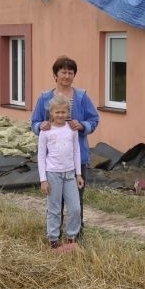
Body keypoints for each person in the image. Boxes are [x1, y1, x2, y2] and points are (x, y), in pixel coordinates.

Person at [31, 55, 99, 235]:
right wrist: (40, 126)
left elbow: (94, 119)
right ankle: (55, 234)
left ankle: (76, 235)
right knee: (55, 200)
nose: (67, 76)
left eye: (71, 72)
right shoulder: (45, 97)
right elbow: (34, 122)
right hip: (53, 160)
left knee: (77, 200)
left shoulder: (82, 97)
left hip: (77, 158)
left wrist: (83, 125)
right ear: (55, 74)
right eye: (63, 72)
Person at [38, 94, 84, 248]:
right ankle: (53, 240)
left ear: (68, 113)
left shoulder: (72, 130)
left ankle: (71, 237)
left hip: (70, 174)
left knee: (75, 208)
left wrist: (78, 174)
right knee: (54, 209)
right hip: (53, 175)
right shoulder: (45, 131)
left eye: (63, 112)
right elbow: (41, 156)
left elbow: (76, 151)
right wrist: (43, 180)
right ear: (51, 112)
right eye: (57, 112)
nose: (60, 115)